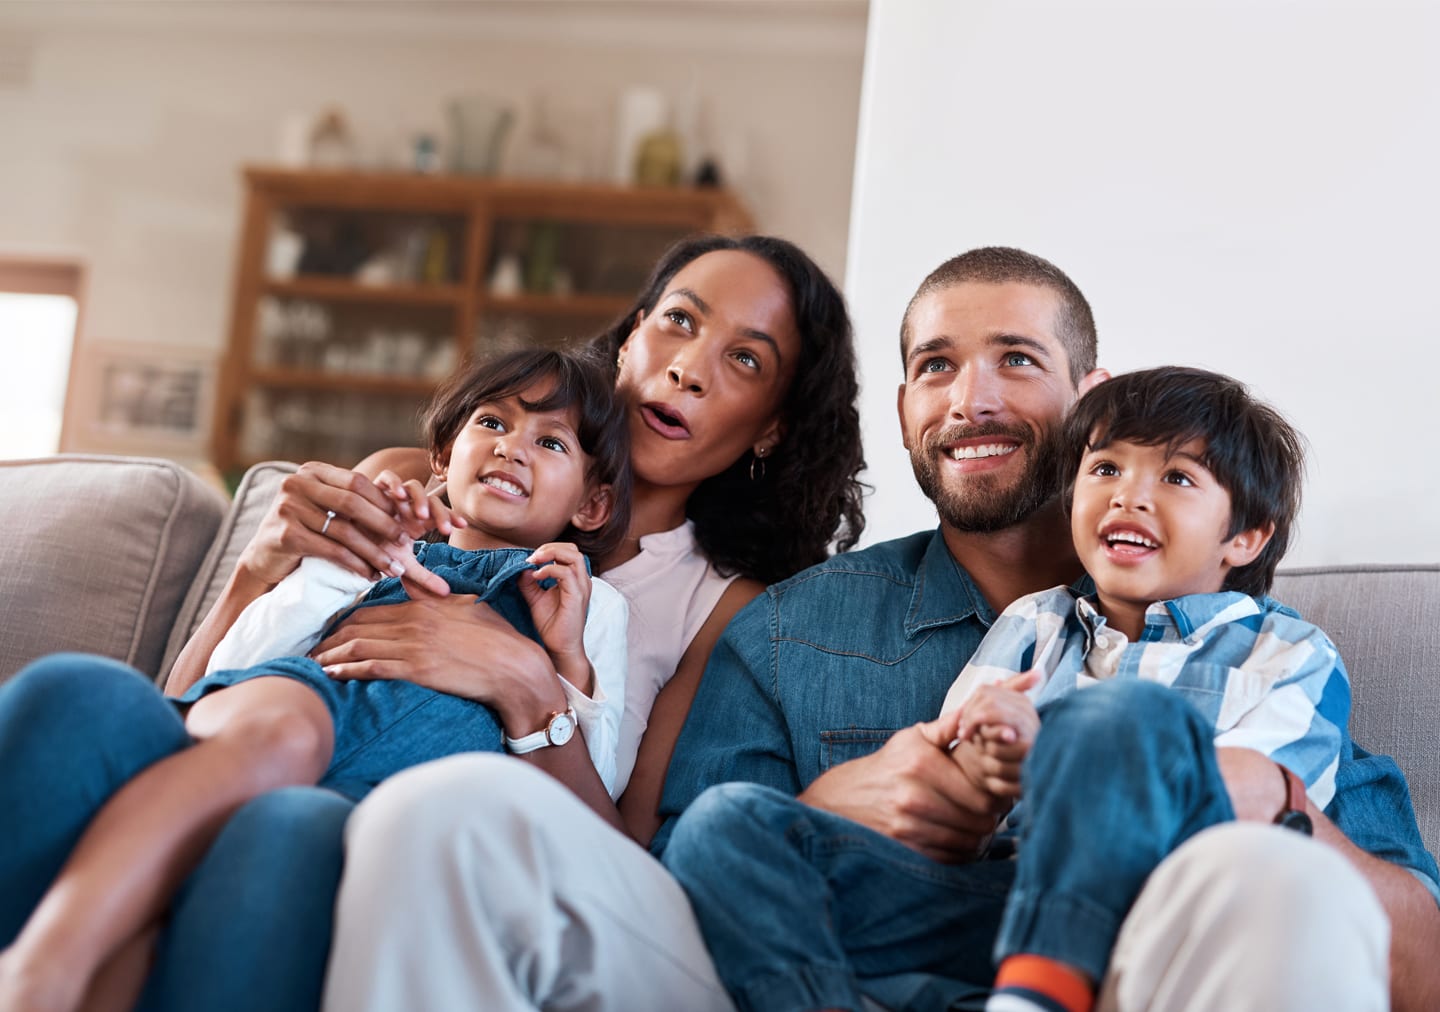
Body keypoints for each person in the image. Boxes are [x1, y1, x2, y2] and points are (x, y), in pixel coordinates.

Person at [0, 233, 866, 1012]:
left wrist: (527, 685)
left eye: (745, 361)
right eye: (678, 322)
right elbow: (187, 704)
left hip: (402, 821)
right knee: (77, 693)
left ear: (772, 429)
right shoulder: (422, 485)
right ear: (633, 334)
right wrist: (256, 574)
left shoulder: (726, 605)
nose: (688, 368)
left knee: (288, 828)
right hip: (274, 731)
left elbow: (624, 865)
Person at [653, 248, 1438, 1012]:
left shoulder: (1263, 652)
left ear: (1090, 400)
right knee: (723, 823)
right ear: (903, 412)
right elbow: (675, 881)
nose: (971, 401)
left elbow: (1421, 964)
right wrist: (834, 802)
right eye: (936, 366)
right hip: (929, 918)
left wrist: (1274, 803)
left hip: (1154, 940)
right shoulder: (791, 629)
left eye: (1017, 360)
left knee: (1137, 731)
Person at [0, 348, 632, 1011]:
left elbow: (592, 784)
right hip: (290, 710)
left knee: (184, 895)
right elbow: (237, 663)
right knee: (282, 735)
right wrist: (354, 565)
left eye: (550, 440)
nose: (513, 450)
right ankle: (41, 968)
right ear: (444, 457)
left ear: (591, 505)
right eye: (493, 424)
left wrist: (566, 665)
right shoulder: (382, 543)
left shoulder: (589, 603)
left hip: (381, 792)